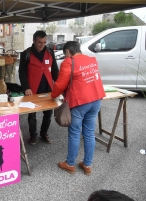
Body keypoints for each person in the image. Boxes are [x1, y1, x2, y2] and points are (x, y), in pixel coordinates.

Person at [51, 41, 105, 175]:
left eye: (65, 54)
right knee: (89, 132)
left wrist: (53, 95)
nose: (65, 57)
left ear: (68, 52)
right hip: (96, 99)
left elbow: (60, 85)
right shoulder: (91, 60)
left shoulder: (69, 62)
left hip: (80, 102)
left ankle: (70, 164)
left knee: (74, 133)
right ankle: (87, 165)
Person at [19, 30, 59, 145]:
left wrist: (58, 85)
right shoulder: (26, 54)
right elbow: (22, 72)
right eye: (39, 42)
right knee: (32, 113)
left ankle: (44, 133)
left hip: (48, 88)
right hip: (32, 89)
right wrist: (26, 87)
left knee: (48, 113)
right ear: (34, 41)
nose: (42, 45)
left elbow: (55, 71)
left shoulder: (50, 52)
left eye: (44, 42)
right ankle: (33, 135)